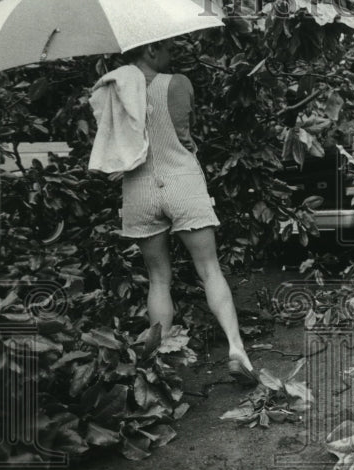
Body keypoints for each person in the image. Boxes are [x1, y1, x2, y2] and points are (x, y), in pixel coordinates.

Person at [106, 38, 256, 384]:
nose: (171, 55)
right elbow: (182, 133)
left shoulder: (112, 89)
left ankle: (155, 364)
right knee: (209, 270)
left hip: (139, 188)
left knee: (159, 279)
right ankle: (236, 350)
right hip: (181, 182)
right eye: (167, 48)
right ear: (150, 50)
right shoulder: (176, 83)